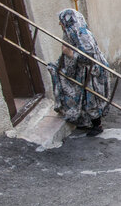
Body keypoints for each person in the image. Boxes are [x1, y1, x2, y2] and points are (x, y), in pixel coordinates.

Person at [47, 8, 110, 136]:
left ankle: (97, 125)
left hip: (90, 72)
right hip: (85, 71)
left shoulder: (81, 34)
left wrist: (69, 53)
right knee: (87, 98)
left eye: (61, 22)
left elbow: (88, 55)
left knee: (91, 98)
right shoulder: (73, 33)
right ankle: (89, 122)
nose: (60, 24)